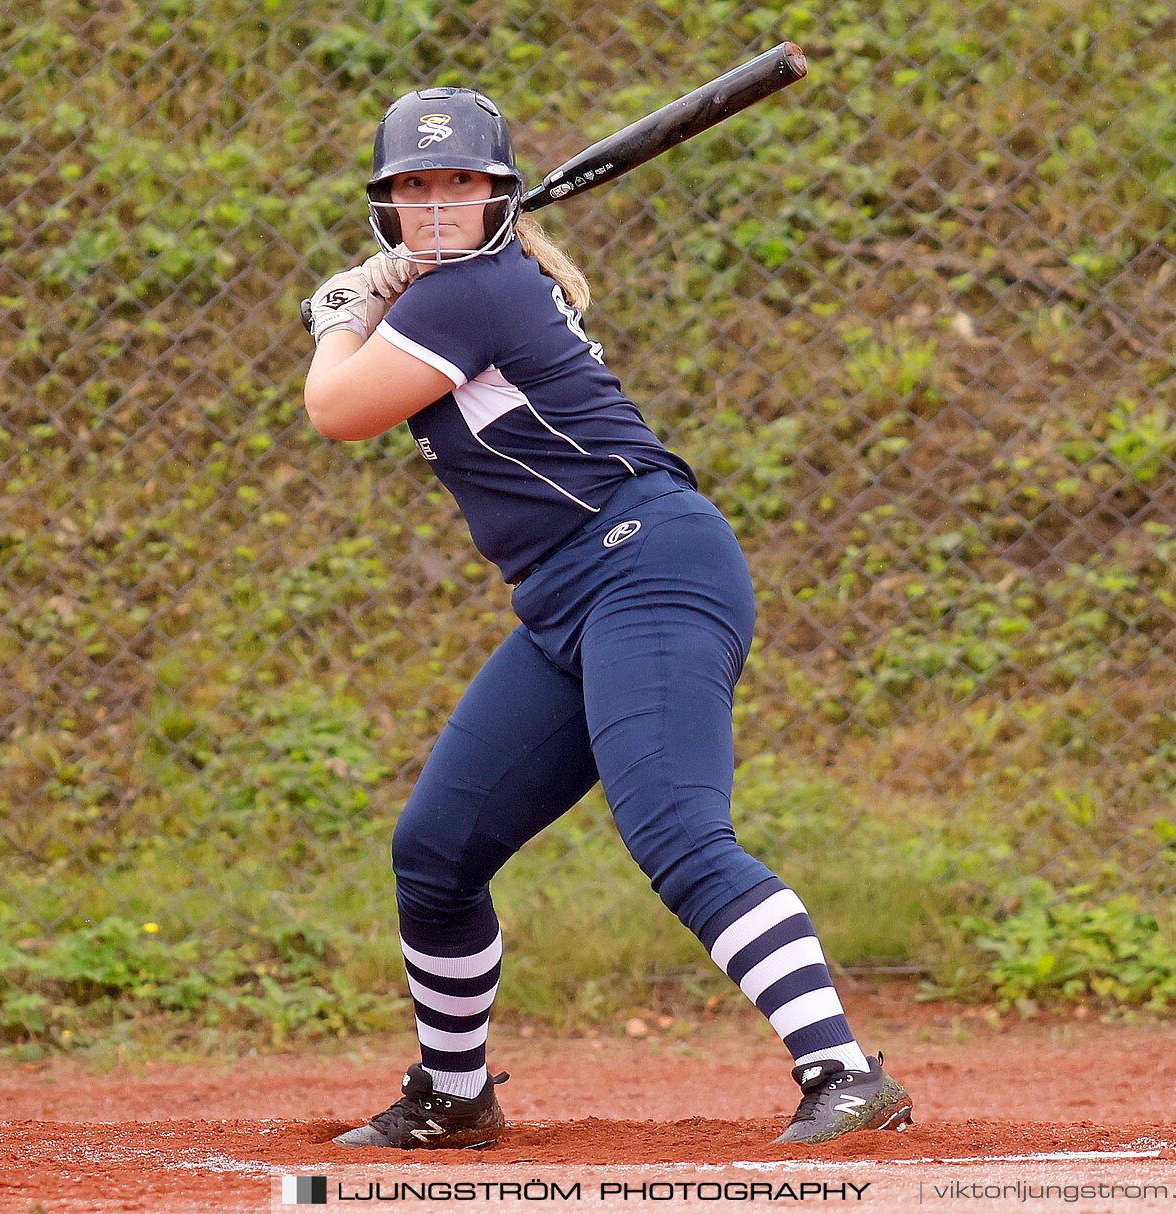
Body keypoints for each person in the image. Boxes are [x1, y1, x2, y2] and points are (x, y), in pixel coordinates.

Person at [302, 86, 913, 1149]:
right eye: (415, 185)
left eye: (463, 183)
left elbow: (336, 408)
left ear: (500, 198)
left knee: (677, 828)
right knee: (436, 850)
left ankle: (846, 1071)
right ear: (386, 204)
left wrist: (340, 315)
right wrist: (379, 306)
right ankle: (454, 1094)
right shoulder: (468, 288)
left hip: (648, 570)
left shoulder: (470, 293)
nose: (437, 203)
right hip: (567, 600)